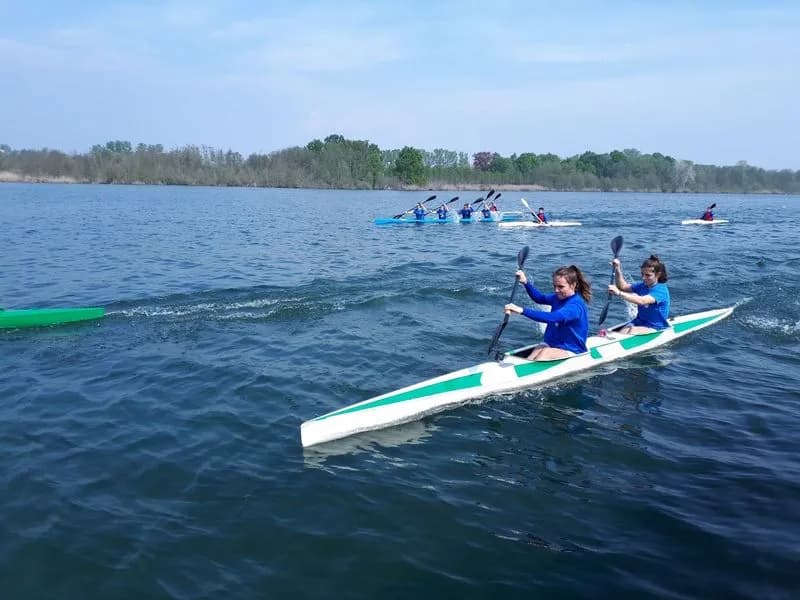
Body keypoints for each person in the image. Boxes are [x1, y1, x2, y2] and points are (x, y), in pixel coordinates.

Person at [504, 265, 592, 360]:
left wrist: (522, 310)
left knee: (545, 352)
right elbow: (539, 298)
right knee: (533, 355)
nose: (556, 290)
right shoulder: (557, 297)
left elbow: (553, 317)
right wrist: (525, 282)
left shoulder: (575, 306)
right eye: (555, 286)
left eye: (561, 287)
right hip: (552, 344)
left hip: (572, 349)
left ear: (573, 285)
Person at [607, 255, 670, 334]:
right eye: (642, 274)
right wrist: (617, 269)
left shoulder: (661, 290)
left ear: (658, 275)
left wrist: (619, 293)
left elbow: (642, 301)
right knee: (622, 331)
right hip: (639, 322)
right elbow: (622, 286)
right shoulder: (642, 285)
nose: (643, 278)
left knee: (629, 332)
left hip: (655, 327)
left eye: (648, 275)